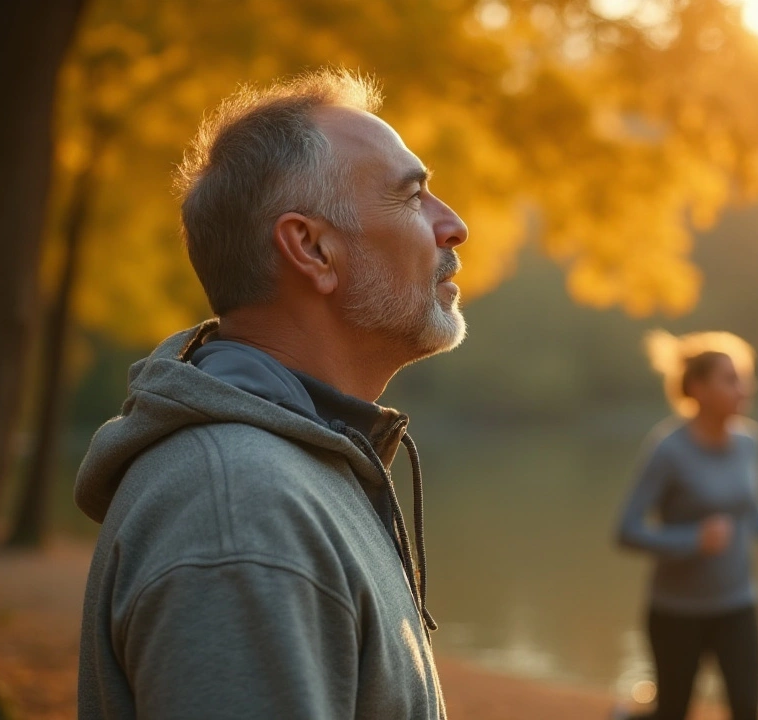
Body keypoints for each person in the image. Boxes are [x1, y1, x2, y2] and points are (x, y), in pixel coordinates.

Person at [74, 69, 468, 719]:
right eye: (412, 196)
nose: (453, 226)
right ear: (312, 248)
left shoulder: (299, 468)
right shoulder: (242, 512)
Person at [615, 330, 758, 720]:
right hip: (677, 611)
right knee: (673, 712)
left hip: (739, 605)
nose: (745, 388)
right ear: (697, 388)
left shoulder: (750, 442)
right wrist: (694, 538)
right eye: (731, 380)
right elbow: (626, 530)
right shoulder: (669, 449)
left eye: (744, 378)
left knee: (748, 709)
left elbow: (754, 499)